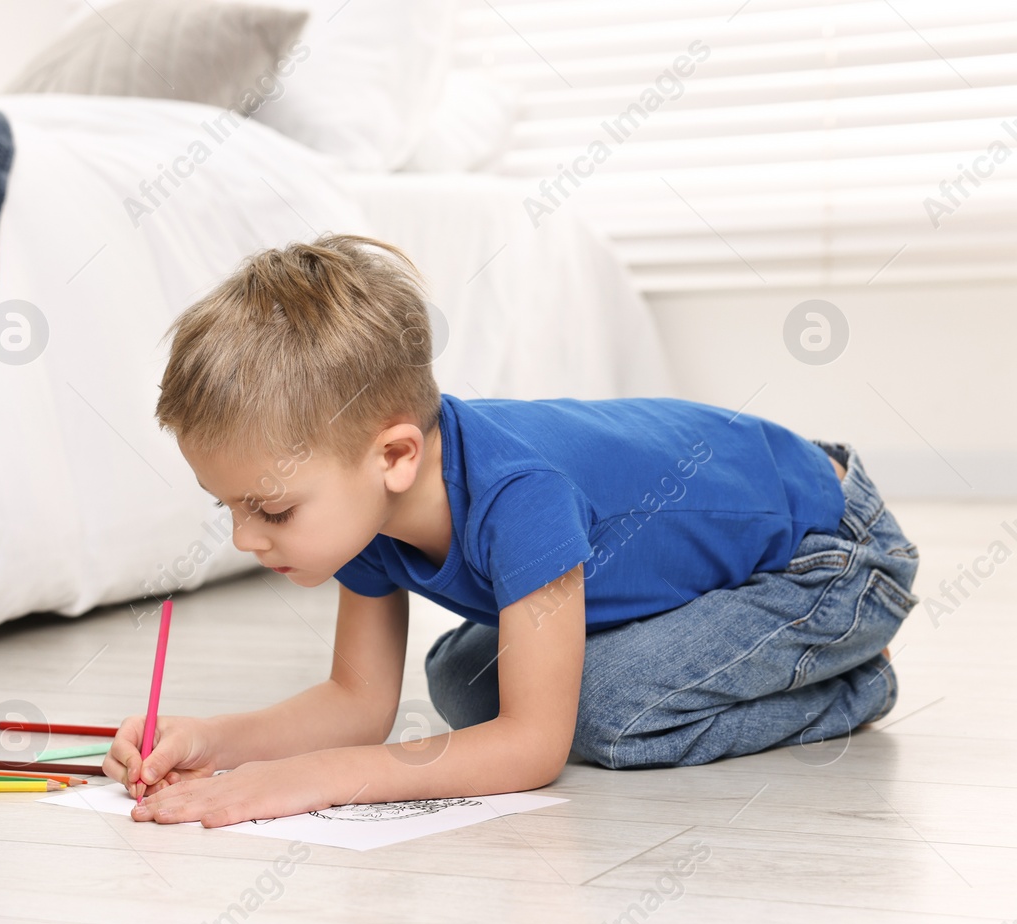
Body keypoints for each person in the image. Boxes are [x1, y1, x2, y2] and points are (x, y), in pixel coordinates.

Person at [105, 233, 919, 827]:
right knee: (463, 680)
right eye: (231, 507)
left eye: (273, 510)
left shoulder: (518, 494)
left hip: (831, 555)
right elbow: (358, 703)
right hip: (724, 556)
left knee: (600, 713)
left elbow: (533, 752)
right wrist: (216, 740)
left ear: (393, 454)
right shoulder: (373, 501)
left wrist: (312, 780)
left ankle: (850, 675)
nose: (247, 539)